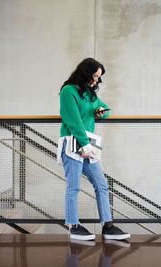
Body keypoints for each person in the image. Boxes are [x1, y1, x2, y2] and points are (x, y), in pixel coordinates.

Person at [57, 58, 130, 241]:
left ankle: (108, 226)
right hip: (73, 142)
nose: (97, 80)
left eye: (99, 77)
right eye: (95, 76)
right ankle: (74, 226)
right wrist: (85, 145)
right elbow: (73, 121)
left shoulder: (89, 93)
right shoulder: (68, 91)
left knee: (102, 184)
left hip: (88, 143)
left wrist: (101, 112)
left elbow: (104, 108)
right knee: (73, 187)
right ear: (85, 72)